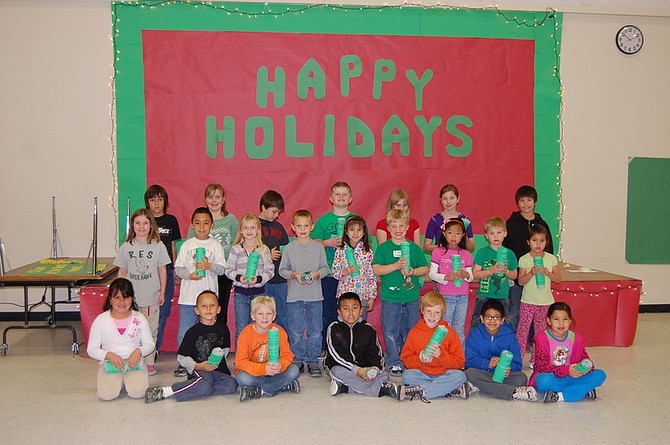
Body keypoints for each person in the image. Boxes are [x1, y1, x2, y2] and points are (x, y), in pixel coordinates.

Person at [144, 290, 238, 403]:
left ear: (218, 309)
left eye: (212, 305)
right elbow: (182, 357)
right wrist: (198, 366)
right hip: (199, 370)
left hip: (218, 371)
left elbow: (225, 349)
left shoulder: (223, 329)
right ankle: (167, 391)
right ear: (197, 311)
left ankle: (200, 387)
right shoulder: (192, 332)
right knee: (204, 384)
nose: (208, 309)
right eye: (204, 306)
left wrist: (216, 361)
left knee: (231, 385)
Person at [372, 209, 429, 376]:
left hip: (411, 297)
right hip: (390, 297)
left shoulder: (414, 248)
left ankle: (408, 359)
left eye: (401, 226)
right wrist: (395, 266)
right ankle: (394, 361)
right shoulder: (383, 248)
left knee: (411, 329)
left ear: (407, 227)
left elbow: (424, 268)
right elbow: (376, 269)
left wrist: (413, 272)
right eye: (394, 226)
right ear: (388, 229)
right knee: (390, 330)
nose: (398, 229)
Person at [114, 208, 170, 375]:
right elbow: (122, 272)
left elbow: (162, 270)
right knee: (132, 332)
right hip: (131, 300)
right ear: (132, 225)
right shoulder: (126, 247)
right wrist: (118, 295)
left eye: (145, 223)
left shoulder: (158, 246)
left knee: (151, 330)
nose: (141, 226)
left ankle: (149, 362)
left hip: (151, 298)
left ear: (151, 225)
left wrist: (162, 293)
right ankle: (132, 360)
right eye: (137, 223)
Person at [174, 207, 226, 377]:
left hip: (209, 299)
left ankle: (210, 362)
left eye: (206, 223)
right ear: (192, 225)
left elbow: (222, 270)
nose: (202, 227)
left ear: (211, 225)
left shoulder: (215, 245)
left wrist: (209, 266)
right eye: (197, 223)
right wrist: (189, 275)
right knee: (186, 331)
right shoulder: (187, 245)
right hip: (189, 297)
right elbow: (178, 268)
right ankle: (184, 363)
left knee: (209, 332)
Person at [278, 210, 330, 377]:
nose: (302, 229)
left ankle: (313, 360)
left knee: (316, 330)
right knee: (296, 330)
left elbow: (325, 268)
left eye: (306, 225)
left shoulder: (318, 247)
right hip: (294, 296)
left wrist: (316, 275)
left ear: (312, 227)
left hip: (315, 295)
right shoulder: (288, 248)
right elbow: (282, 270)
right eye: (298, 225)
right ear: (293, 227)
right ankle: (298, 359)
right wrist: (293, 275)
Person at [87, 278, 155, 401]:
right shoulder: (101, 320)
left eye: (126, 297)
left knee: (137, 393)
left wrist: (138, 351)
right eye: (117, 297)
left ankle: (128, 379)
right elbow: (91, 349)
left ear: (132, 299)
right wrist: (108, 355)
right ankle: (117, 380)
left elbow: (149, 344)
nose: (122, 302)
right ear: (110, 299)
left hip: (134, 365)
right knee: (107, 395)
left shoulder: (139, 318)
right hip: (110, 365)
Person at [325, 292, 398, 399]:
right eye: (346, 309)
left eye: (354, 308)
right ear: (339, 312)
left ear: (361, 311)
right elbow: (335, 354)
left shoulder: (368, 329)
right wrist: (356, 370)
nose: (350, 312)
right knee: (337, 372)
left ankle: (346, 388)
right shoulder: (334, 328)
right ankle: (380, 389)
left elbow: (376, 353)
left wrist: (374, 369)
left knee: (383, 374)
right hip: (342, 367)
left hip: (364, 368)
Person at [399, 291, 469, 402]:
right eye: (428, 311)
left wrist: (441, 355)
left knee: (460, 376)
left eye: (437, 312)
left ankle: (422, 390)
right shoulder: (414, 332)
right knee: (407, 376)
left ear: (442, 314)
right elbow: (406, 359)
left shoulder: (450, 333)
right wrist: (419, 359)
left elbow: (459, 362)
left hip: (445, 373)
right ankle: (448, 389)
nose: (432, 316)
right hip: (422, 373)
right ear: (422, 311)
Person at [531, 302, 607, 403]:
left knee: (600, 375)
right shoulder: (542, 339)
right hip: (553, 377)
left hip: (573, 377)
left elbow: (587, 361)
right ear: (549, 320)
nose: (561, 323)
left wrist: (582, 369)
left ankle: (561, 396)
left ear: (570, 321)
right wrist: (566, 370)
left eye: (565, 319)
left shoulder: (576, 339)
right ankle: (581, 390)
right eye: (556, 319)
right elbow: (540, 367)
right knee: (542, 381)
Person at [312, 181, 356, 353]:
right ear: (331, 198)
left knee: (349, 310)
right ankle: (327, 346)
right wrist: (327, 242)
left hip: (351, 275)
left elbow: (365, 244)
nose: (341, 197)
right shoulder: (323, 221)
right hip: (329, 274)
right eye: (337, 194)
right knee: (328, 311)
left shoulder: (356, 219)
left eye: (345, 194)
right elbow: (312, 242)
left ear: (350, 198)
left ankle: (348, 346)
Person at [503, 185, 554, 330]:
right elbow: (505, 248)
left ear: (535, 202)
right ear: (517, 203)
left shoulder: (542, 224)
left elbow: (549, 251)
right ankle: (513, 341)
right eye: (522, 200)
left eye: (529, 200)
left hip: (538, 278)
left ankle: (534, 342)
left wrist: (546, 270)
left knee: (538, 313)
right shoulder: (511, 224)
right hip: (518, 278)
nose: (526, 204)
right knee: (515, 311)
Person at [464, 299, 536, 401]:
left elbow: (518, 364)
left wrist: (509, 368)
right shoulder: (474, 334)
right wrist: (487, 363)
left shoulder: (510, 336)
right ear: (482, 319)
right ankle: (512, 392)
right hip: (483, 372)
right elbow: (469, 361)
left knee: (521, 378)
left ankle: (482, 387)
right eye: (488, 317)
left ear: (502, 320)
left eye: (496, 317)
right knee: (469, 374)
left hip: (504, 376)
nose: (492, 321)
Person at [234, 296, 301, 401]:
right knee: (242, 378)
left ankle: (260, 390)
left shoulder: (280, 331)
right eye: (260, 314)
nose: (264, 318)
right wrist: (263, 369)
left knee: (294, 370)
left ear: (274, 316)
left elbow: (287, 356)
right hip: (255, 373)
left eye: (269, 314)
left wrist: (280, 365)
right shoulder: (245, 334)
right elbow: (240, 362)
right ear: (253, 316)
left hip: (275, 372)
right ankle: (283, 385)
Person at [188, 184, 238, 324]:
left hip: (222, 272)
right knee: (201, 305)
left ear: (223, 199)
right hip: (202, 271)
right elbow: (189, 245)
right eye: (210, 196)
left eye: (217, 197)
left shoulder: (232, 220)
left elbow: (236, 246)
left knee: (219, 306)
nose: (214, 200)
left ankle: (219, 338)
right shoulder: (199, 219)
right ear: (205, 199)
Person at [144, 184, 182, 359]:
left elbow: (173, 245)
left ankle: (155, 348)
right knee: (146, 311)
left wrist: (174, 269)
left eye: (160, 199)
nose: (156, 203)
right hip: (147, 272)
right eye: (152, 199)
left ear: (165, 201)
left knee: (163, 311)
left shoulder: (171, 220)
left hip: (166, 270)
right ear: (147, 202)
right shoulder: (144, 220)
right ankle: (145, 347)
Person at [224, 214, 275, 342]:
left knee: (259, 326)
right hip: (240, 295)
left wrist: (258, 279)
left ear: (258, 230)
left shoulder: (263, 250)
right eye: (246, 228)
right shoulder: (235, 250)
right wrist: (239, 277)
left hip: (259, 295)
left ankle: (257, 355)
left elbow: (270, 271)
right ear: (241, 230)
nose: (249, 231)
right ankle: (241, 359)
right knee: (241, 327)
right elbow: (228, 269)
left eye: (253, 228)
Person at [515, 224, 561, 365]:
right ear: (528, 242)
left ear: (546, 242)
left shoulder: (551, 258)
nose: (538, 244)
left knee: (540, 334)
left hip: (546, 302)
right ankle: (517, 358)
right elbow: (521, 281)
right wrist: (531, 273)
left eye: (542, 240)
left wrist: (548, 273)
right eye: (535, 240)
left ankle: (536, 360)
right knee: (522, 331)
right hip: (528, 301)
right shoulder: (524, 259)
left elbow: (558, 279)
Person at [428, 217, 473, 343]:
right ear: (443, 233)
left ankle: (459, 359)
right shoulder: (438, 252)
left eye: (458, 233)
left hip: (463, 297)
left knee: (458, 328)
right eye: (450, 232)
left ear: (463, 235)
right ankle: (444, 357)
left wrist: (465, 274)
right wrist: (446, 277)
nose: (454, 236)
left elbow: (471, 277)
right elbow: (432, 274)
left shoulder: (466, 254)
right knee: (444, 327)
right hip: (446, 296)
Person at [471, 217, 518, 329]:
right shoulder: (482, 252)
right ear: (486, 235)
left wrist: (506, 271)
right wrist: (490, 271)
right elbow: (476, 273)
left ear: (505, 233)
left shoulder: (510, 254)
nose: (496, 236)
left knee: (501, 323)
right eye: (492, 233)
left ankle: (498, 345)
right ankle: (475, 344)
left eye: (499, 232)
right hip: (484, 295)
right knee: (478, 320)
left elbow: (515, 275)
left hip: (502, 296)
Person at [330, 215, 377, 319]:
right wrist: (344, 272)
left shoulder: (368, 252)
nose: (355, 233)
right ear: (346, 232)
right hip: (345, 294)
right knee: (344, 324)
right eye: (352, 230)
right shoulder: (340, 251)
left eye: (359, 230)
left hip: (362, 295)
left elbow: (372, 275)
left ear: (364, 232)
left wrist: (372, 296)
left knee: (361, 324)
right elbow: (334, 272)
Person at [258, 190, 290, 331]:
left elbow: (286, 247)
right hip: (263, 279)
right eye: (274, 211)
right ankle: (262, 343)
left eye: (278, 213)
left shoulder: (279, 227)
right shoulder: (254, 225)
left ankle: (283, 345)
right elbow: (248, 248)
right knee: (263, 312)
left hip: (280, 278)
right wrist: (266, 254)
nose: (276, 215)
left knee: (282, 313)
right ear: (264, 207)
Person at [423, 184, 475, 253]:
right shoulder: (435, 220)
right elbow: (426, 247)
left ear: (458, 199)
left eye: (452, 198)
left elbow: (471, 249)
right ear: (440, 200)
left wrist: (465, 237)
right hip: (440, 259)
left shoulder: (465, 220)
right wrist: (441, 247)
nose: (448, 201)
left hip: (460, 259)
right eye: (445, 198)